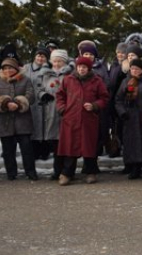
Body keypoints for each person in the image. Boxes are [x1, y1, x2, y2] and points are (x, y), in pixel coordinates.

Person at [55, 56, 109, 185]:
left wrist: (94, 105)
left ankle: (90, 172)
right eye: (79, 67)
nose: (81, 69)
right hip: (70, 119)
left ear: (89, 68)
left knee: (88, 147)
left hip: (88, 119)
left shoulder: (97, 81)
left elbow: (104, 98)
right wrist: (63, 109)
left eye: (84, 67)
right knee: (70, 147)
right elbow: (60, 95)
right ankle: (67, 174)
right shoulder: (68, 79)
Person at [0, 57, 38, 181]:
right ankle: (11, 173)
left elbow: (31, 95)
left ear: (16, 68)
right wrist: (5, 103)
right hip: (5, 122)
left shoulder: (26, 80)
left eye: (10, 68)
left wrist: (18, 103)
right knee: (7, 150)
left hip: (23, 120)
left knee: (27, 149)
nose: (7, 70)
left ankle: (31, 172)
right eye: (5, 68)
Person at [115, 58, 142, 180]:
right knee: (132, 143)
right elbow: (118, 100)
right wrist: (122, 112)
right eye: (132, 68)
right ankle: (135, 167)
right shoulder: (125, 81)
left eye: (136, 69)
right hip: (130, 117)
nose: (134, 71)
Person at [39, 49, 73, 180]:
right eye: (55, 61)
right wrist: (43, 95)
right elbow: (40, 89)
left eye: (60, 61)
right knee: (56, 144)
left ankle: (68, 171)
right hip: (51, 112)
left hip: (67, 111)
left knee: (68, 143)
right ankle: (57, 170)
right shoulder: (46, 74)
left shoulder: (70, 75)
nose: (57, 64)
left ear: (64, 62)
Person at [22, 47, 51, 160]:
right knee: (33, 127)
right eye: (38, 55)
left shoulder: (50, 68)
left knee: (45, 127)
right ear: (34, 56)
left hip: (46, 102)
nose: (40, 58)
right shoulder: (26, 68)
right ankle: (34, 152)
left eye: (43, 56)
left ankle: (45, 151)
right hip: (31, 102)